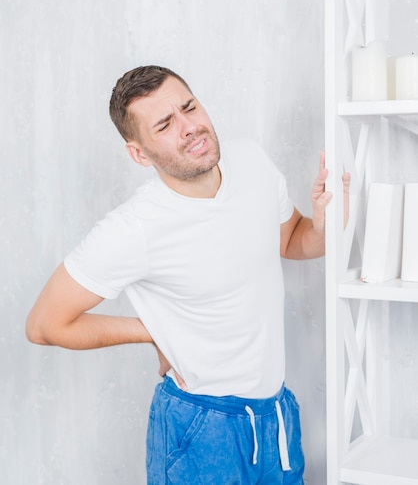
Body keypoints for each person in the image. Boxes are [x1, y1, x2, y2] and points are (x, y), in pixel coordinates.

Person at [26, 65, 350, 484]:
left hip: (275, 415)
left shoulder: (251, 159)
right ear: (139, 153)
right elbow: (44, 324)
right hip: (200, 429)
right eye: (164, 124)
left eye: (189, 107)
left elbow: (289, 241)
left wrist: (323, 228)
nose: (190, 127)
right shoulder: (133, 229)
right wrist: (154, 332)